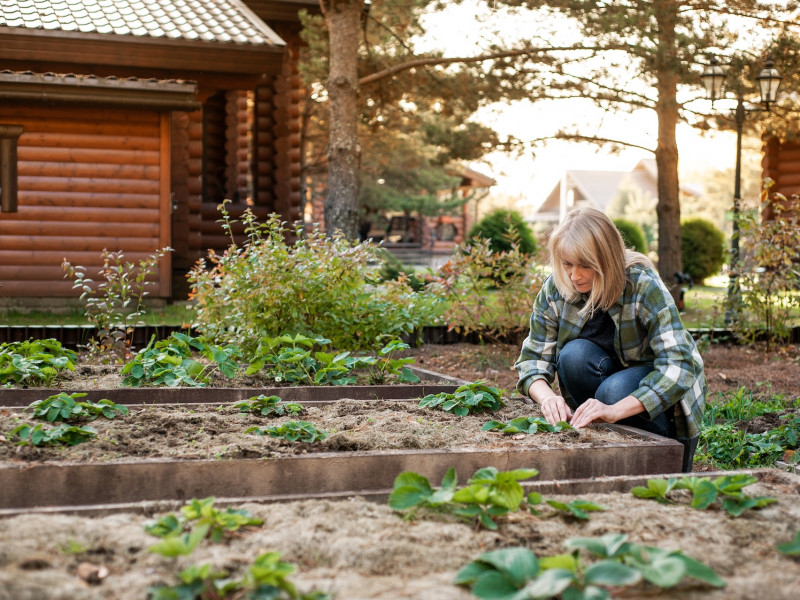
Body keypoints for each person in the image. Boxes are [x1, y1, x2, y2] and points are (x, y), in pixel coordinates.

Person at [514, 207, 705, 472]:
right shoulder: (556, 288)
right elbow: (532, 361)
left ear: (606, 259)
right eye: (567, 264)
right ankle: (603, 441)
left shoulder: (642, 284)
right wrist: (547, 398)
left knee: (612, 392)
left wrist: (614, 409)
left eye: (585, 265)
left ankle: (652, 451)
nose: (574, 275)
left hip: (659, 402)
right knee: (573, 355)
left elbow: (681, 365)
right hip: (610, 384)